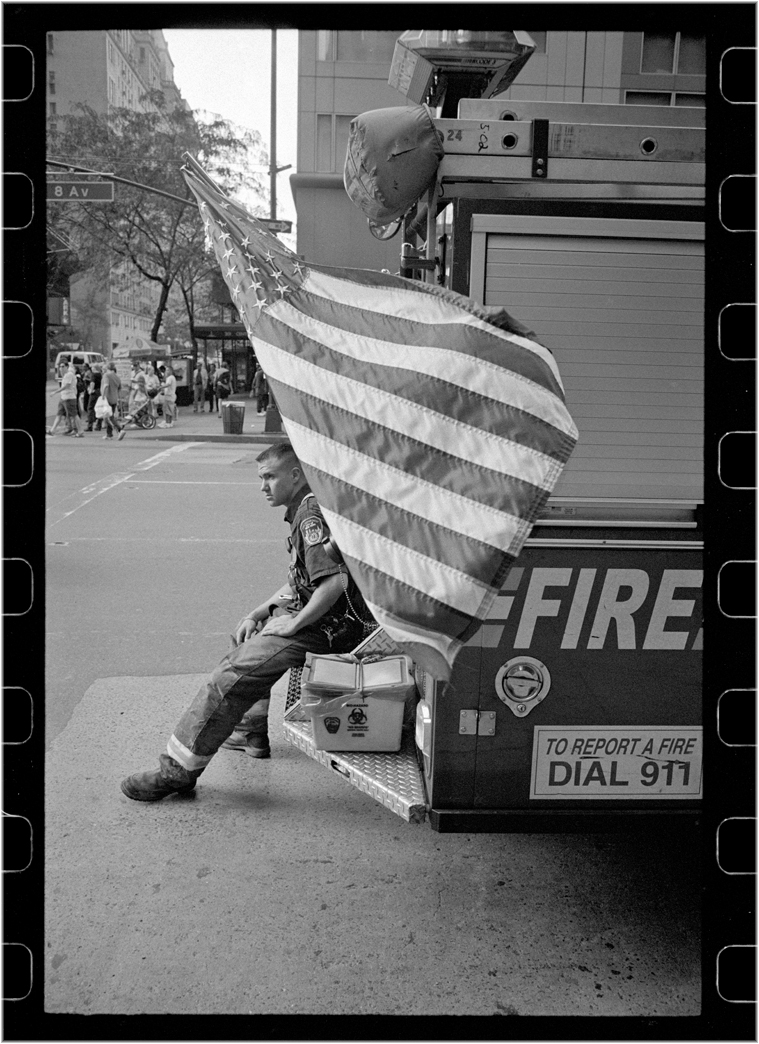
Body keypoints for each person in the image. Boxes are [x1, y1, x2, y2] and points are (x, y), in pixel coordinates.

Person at [121, 442, 371, 801]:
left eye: (270, 476)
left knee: (231, 674)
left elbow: (334, 582)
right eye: (261, 478)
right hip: (318, 618)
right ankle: (251, 732)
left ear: (296, 475)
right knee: (245, 633)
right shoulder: (303, 508)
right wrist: (259, 612)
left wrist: (295, 623)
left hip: (330, 629)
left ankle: (176, 772)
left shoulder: (311, 515)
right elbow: (302, 579)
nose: (263, 486)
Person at [48, 362, 84, 437]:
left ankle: (80, 431)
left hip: (69, 398)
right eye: (60, 366)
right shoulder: (65, 375)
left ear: (67, 367)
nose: (61, 368)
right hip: (63, 397)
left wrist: (55, 392)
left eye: (62, 366)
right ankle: (52, 430)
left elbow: (66, 386)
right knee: (59, 414)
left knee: (74, 415)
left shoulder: (69, 374)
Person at [100, 362, 124, 440]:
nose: (102, 370)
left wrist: (103, 396)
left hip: (107, 399)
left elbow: (106, 385)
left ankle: (120, 430)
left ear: (107, 368)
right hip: (114, 399)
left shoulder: (106, 375)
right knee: (109, 416)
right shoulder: (117, 377)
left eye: (103, 369)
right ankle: (109, 434)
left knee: (108, 417)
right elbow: (120, 388)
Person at [86, 364, 103, 432]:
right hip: (100, 392)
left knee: (90, 408)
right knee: (99, 408)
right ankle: (99, 425)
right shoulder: (101, 375)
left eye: (92, 367)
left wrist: (90, 390)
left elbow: (92, 383)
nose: (91, 368)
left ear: (95, 368)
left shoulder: (93, 375)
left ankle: (90, 426)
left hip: (94, 392)